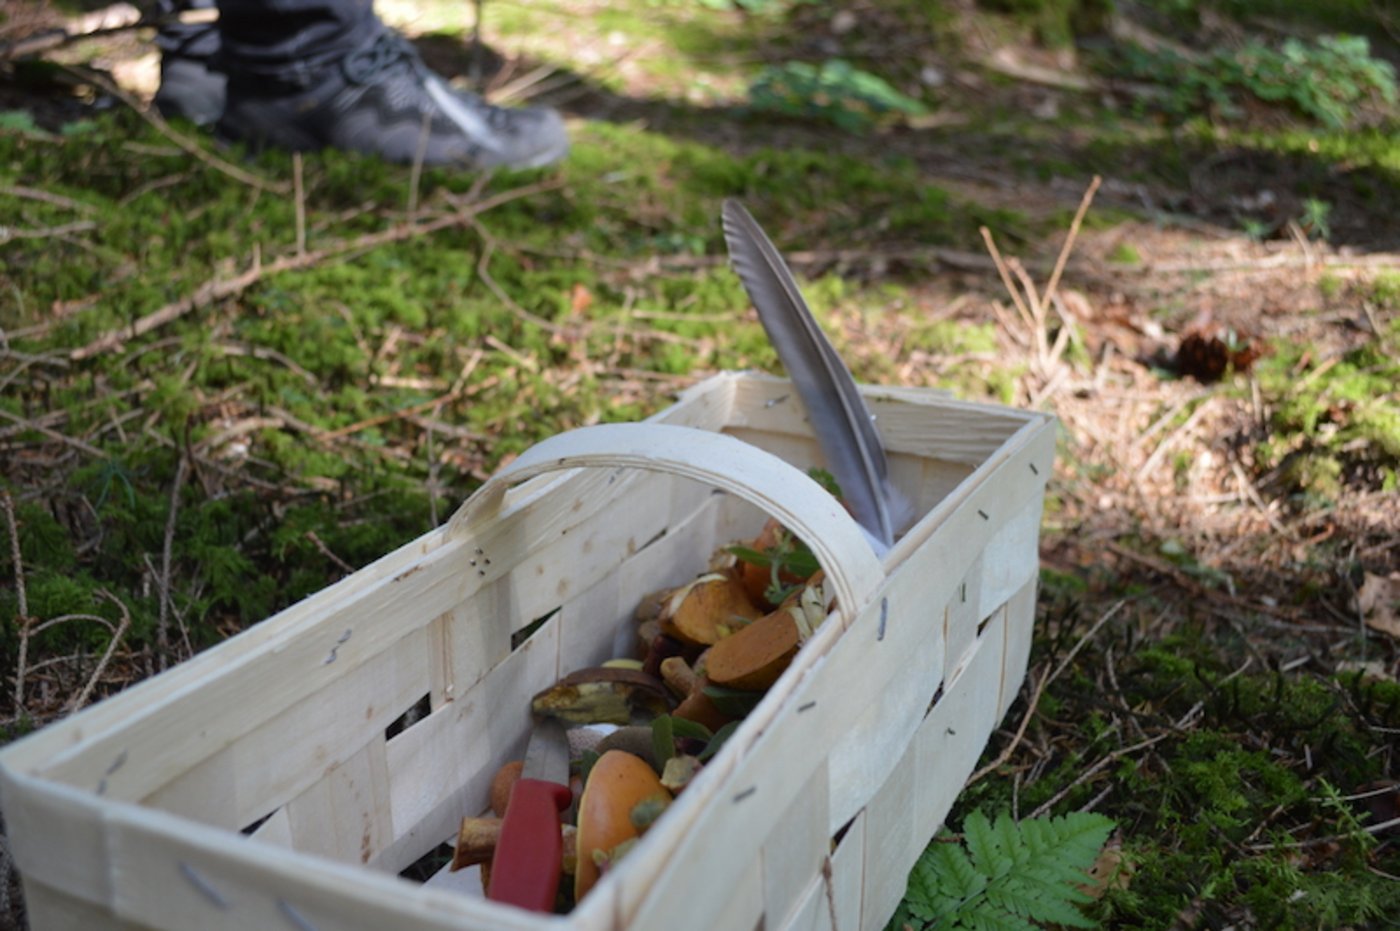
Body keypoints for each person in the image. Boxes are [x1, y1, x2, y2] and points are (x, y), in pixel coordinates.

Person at [152, 0, 569, 170]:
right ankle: (312, 62)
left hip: (220, 53)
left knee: (209, 36)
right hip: (308, 69)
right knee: (297, 48)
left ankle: (204, 52)